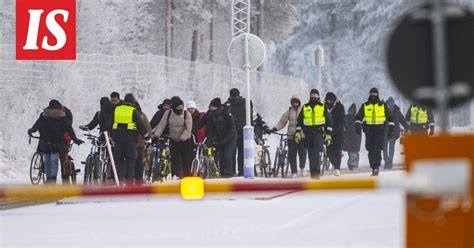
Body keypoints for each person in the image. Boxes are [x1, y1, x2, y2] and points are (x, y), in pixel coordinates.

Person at [28, 100, 83, 184]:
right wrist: (75, 139)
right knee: (54, 162)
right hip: (56, 142)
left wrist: (31, 130)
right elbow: (69, 128)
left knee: (47, 161)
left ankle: (49, 179)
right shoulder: (62, 117)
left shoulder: (44, 116)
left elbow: (37, 125)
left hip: (45, 142)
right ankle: (52, 180)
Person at [225, 88, 271, 176]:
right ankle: (234, 172)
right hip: (234, 134)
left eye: (235, 96)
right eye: (233, 97)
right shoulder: (228, 106)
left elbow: (256, 117)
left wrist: (265, 128)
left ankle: (240, 172)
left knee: (241, 154)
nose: (234, 98)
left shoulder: (243, 104)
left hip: (243, 134)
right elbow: (256, 117)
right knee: (233, 154)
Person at [109, 93, 150, 185]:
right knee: (130, 162)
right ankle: (129, 183)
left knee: (118, 161)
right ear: (132, 102)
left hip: (118, 140)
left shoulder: (116, 109)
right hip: (130, 141)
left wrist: (111, 135)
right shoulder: (133, 111)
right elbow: (141, 126)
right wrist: (146, 137)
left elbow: (110, 123)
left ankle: (120, 180)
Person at [355, 87, 394, 176]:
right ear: (369, 94)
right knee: (370, 149)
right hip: (369, 131)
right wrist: (357, 125)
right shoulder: (365, 105)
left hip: (380, 131)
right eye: (371, 94)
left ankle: (376, 167)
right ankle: (373, 167)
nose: (373, 95)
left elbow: (390, 118)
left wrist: (391, 129)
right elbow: (358, 117)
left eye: (375, 94)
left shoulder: (383, 105)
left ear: (378, 95)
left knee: (377, 149)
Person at [295, 89, 333, 179]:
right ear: (310, 96)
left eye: (315, 96)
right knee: (311, 155)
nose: (314, 97)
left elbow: (330, 122)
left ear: (318, 96)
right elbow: (299, 122)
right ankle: (313, 173)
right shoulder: (305, 107)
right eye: (312, 95)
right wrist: (297, 133)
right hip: (307, 134)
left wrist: (328, 135)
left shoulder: (323, 107)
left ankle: (316, 174)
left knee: (316, 154)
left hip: (318, 134)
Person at [152, 97, 193, 178]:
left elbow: (188, 129)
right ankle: (176, 177)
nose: (180, 109)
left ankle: (187, 177)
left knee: (186, 161)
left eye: (181, 107)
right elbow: (161, 125)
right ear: (173, 107)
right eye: (178, 108)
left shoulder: (186, 114)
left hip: (185, 141)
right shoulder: (168, 113)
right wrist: (156, 135)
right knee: (175, 161)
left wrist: (182, 139)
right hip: (173, 140)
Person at [272, 95, 307, 177]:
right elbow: (282, 122)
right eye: (293, 102)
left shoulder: (304, 110)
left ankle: (302, 168)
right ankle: (294, 171)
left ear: (299, 102)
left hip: (302, 135)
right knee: (292, 154)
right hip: (291, 136)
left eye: (297, 102)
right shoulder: (289, 111)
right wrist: (275, 128)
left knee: (302, 153)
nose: (295, 104)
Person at [204, 98, 237, 177]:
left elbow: (232, 129)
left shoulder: (226, 114)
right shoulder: (210, 115)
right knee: (221, 156)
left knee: (227, 155)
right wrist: (209, 140)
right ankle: (222, 173)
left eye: (213, 107)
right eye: (210, 107)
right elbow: (209, 129)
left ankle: (229, 173)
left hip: (230, 138)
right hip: (220, 138)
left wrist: (225, 138)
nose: (211, 109)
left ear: (218, 107)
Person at [383, 97, 409, 169]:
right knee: (384, 148)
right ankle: (386, 161)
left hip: (393, 132)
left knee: (391, 147)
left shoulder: (397, 111)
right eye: (390, 104)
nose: (391, 106)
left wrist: (408, 128)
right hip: (385, 132)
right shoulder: (383, 110)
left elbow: (402, 120)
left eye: (392, 104)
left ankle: (390, 162)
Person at [324, 92, 345, 176]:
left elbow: (341, 121)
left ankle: (337, 167)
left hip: (338, 133)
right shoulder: (324, 107)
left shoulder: (340, 107)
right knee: (329, 152)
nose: (329, 102)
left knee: (337, 151)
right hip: (328, 133)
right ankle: (334, 164)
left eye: (331, 100)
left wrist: (333, 131)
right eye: (327, 100)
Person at [133, 97, 152, 185]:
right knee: (139, 164)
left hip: (131, 144)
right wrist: (148, 138)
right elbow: (147, 127)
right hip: (140, 143)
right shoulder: (142, 115)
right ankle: (138, 182)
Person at [343, 103, 362, 170]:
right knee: (351, 152)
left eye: (352, 110)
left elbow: (357, 127)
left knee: (353, 152)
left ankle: (353, 164)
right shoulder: (346, 117)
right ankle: (352, 163)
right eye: (350, 110)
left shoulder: (357, 118)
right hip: (348, 137)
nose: (350, 112)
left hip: (354, 137)